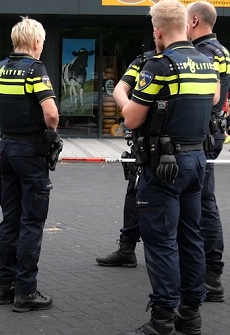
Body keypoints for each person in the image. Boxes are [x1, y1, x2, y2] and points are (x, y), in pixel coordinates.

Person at [120, 1, 219, 334]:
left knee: (161, 241)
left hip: (163, 167)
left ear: (157, 30)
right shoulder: (207, 64)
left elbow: (132, 117)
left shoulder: (159, 66)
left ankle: (162, 317)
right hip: (197, 162)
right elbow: (215, 99)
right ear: (186, 25)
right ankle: (190, 314)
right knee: (191, 237)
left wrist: (124, 99)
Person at [0, 16, 59, 313]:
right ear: (36, 42)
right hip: (30, 152)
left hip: (6, 149)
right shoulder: (36, 70)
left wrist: (3, 117)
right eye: (42, 43)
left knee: (10, 220)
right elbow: (51, 113)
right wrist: (50, 134)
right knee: (32, 222)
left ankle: (4, 288)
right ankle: (26, 293)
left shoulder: (0, 68)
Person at [187, 0, 230, 304]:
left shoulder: (202, 54)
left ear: (194, 22)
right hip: (214, 131)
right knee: (203, 200)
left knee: (204, 202)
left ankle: (211, 275)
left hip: (202, 133)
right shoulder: (222, 51)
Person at [96, 49, 155, 268]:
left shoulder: (189, 60)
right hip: (145, 143)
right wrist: (131, 111)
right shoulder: (145, 60)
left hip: (176, 145)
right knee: (134, 193)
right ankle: (127, 248)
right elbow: (120, 88)